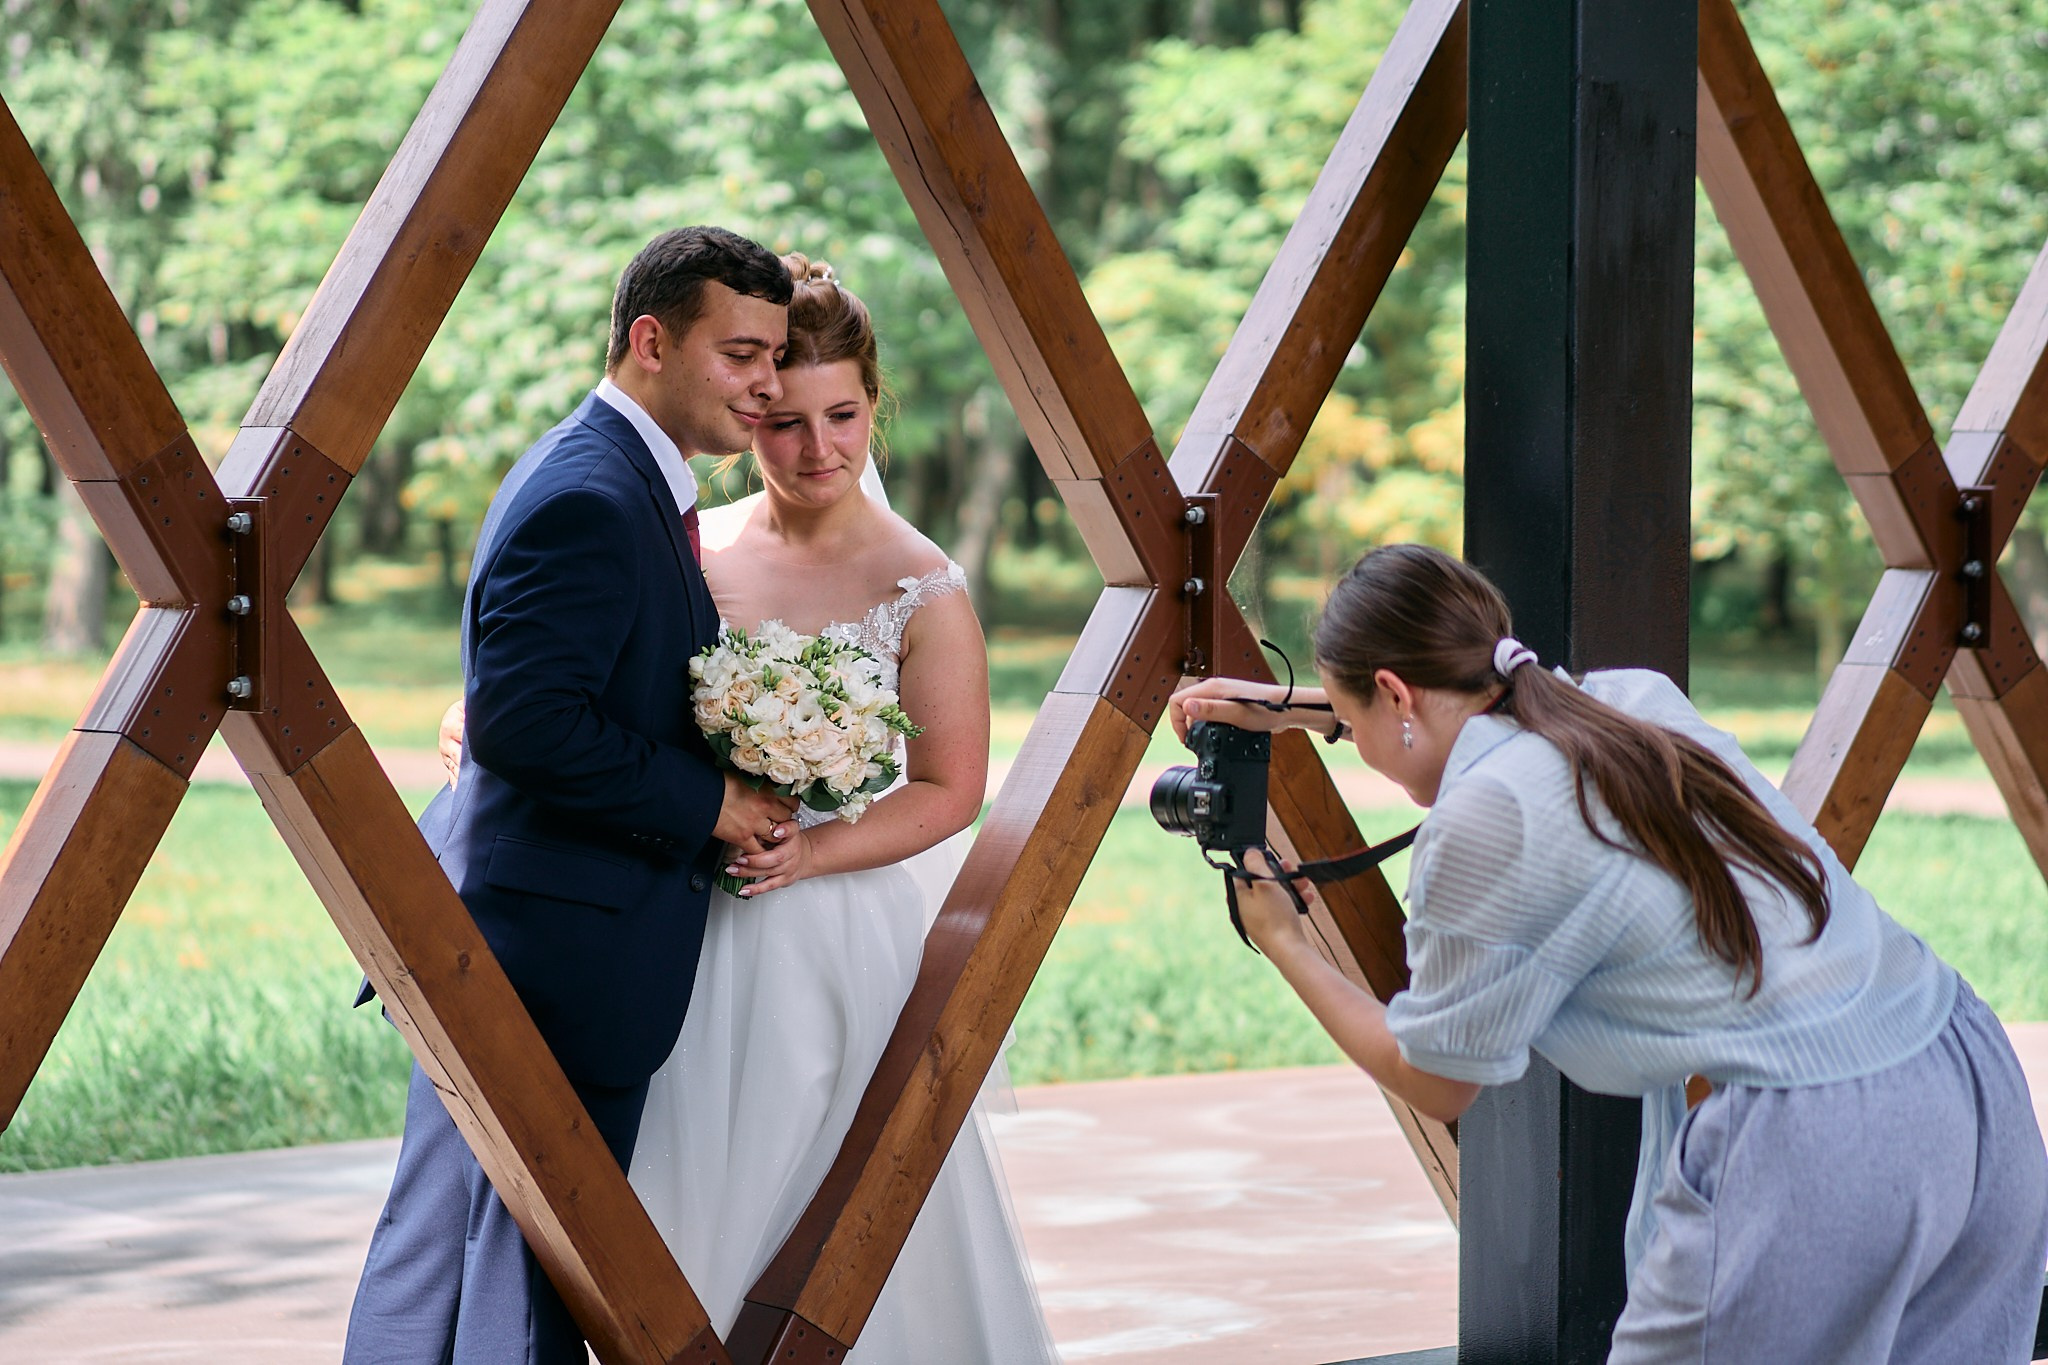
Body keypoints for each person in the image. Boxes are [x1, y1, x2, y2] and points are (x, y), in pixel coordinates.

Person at [1168, 543, 2048, 1363]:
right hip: (1962, 1073)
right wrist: (1297, 707)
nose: (1358, 748)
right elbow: (1484, 702)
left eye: (1355, 721)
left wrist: (1285, 941)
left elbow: (1437, 1076)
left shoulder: (1484, 819)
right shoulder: (1627, 701)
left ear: (1395, 693)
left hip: (1819, 1139)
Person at [439, 255, 1058, 1360]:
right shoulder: (688, 538)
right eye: (782, 420)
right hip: (671, 917)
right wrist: (468, 721)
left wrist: (807, 854)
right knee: (668, 1195)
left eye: (843, 417)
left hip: (822, 932)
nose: (816, 449)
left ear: (875, 409)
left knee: (823, 1189)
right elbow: (573, 674)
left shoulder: (923, 587)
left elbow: (949, 791)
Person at [343, 226, 802, 1365]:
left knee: (465, 1267)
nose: (768, 385)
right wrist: (712, 805)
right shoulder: (592, 496)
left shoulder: (619, 478)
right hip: (546, 951)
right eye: (741, 353)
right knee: (506, 1286)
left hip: (540, 936)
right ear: (651, 341)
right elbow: (526, 723)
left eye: (775, 357)